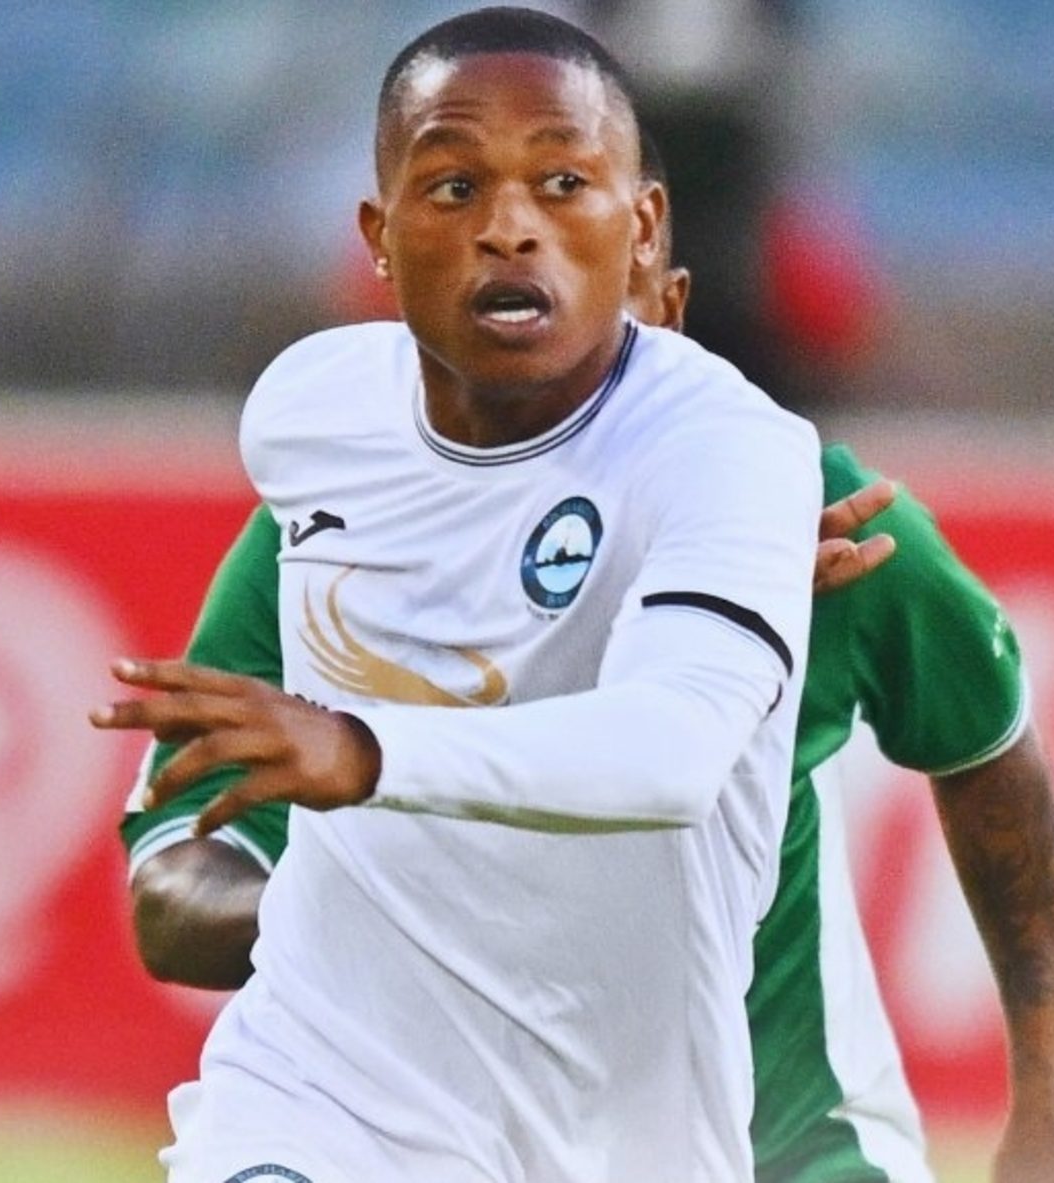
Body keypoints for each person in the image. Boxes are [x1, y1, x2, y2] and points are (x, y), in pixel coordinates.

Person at [120, 120, 1054, 1183]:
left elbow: (985, 741)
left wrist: (1051, 1091)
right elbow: (173, 889)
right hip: (420, 1131)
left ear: (664, 307)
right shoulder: (332, 537)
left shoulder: (818, 527)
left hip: (784, 1139)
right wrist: (387, 922)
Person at [92, 8, 823, 1179]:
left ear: (643, 230)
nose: (508, 227)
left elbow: (675, 751)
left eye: (563, 183)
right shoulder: (312, 419)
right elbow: (177, 871)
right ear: (379, 237)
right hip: (318, 1105)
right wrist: (339, 916)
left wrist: (369, 757)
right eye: (452, 188)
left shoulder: (727, 452)